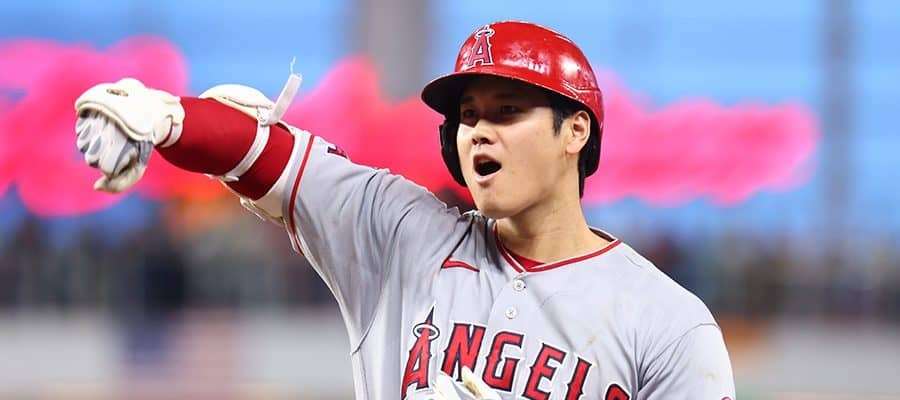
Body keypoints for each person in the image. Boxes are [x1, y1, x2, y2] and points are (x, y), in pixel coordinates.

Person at [74, 20, 735, 400]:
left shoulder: (667, 324)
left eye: (508, 111)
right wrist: (167, 118)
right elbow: (271, 156)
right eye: (468, 116)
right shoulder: (404, 238)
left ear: (576, 132)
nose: (479, 131)